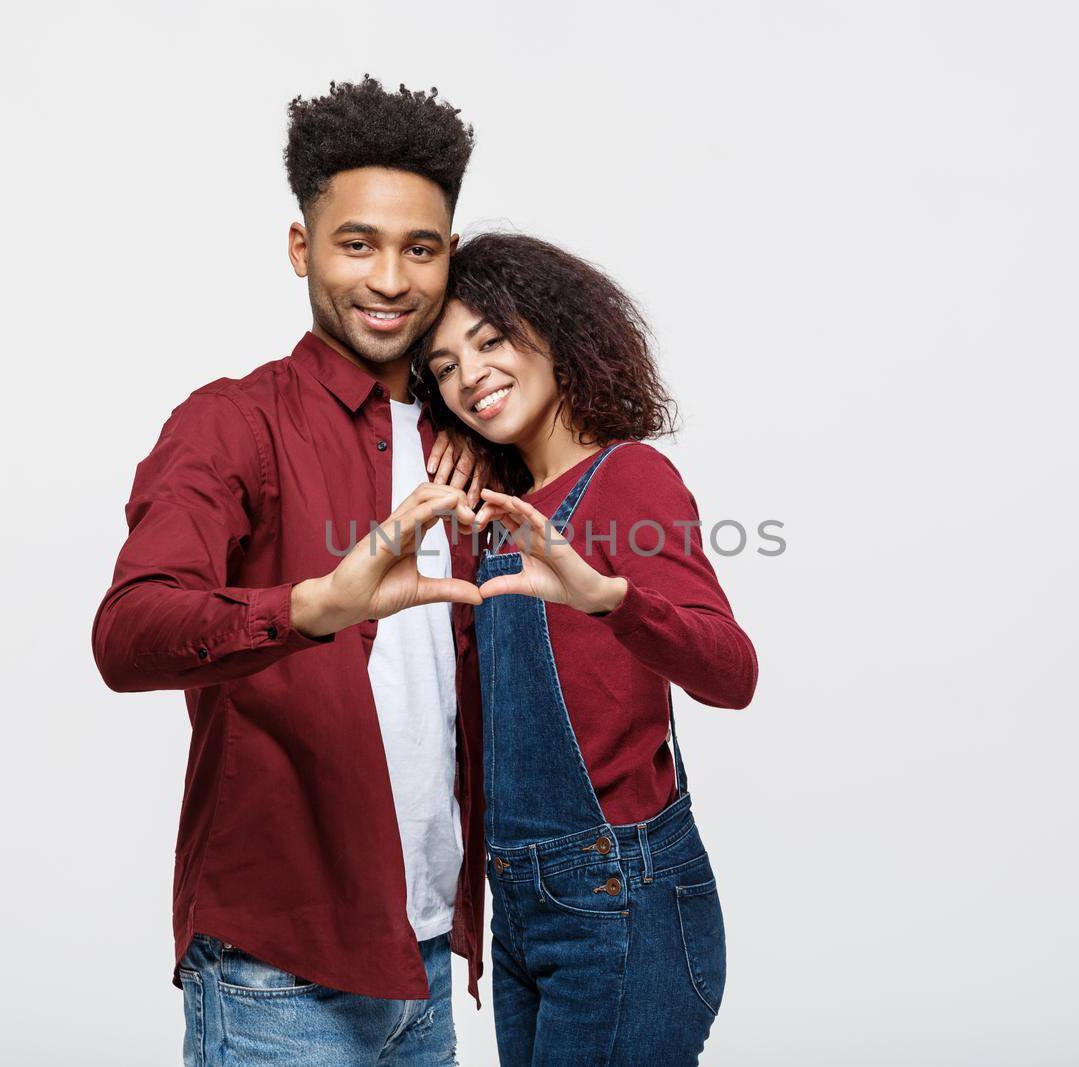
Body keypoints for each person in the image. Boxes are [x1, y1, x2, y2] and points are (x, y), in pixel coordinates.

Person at [91, 77, 491, 1066]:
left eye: (420, 247)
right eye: (357, 243)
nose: (390, 279)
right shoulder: (232, 422)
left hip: (428, 954)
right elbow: (130, 630)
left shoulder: (474, 433)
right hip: (279, 968)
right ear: (300, 247)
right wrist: (313, 605)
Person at [415, 232, 759, 1065]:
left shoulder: (629, 478)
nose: (471, 377)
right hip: (521, 907)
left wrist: (613, 599)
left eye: (490, 340)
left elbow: (732, 670)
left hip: (622, 898)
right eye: (446, 366)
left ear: (555, 329)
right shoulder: (493, 515)